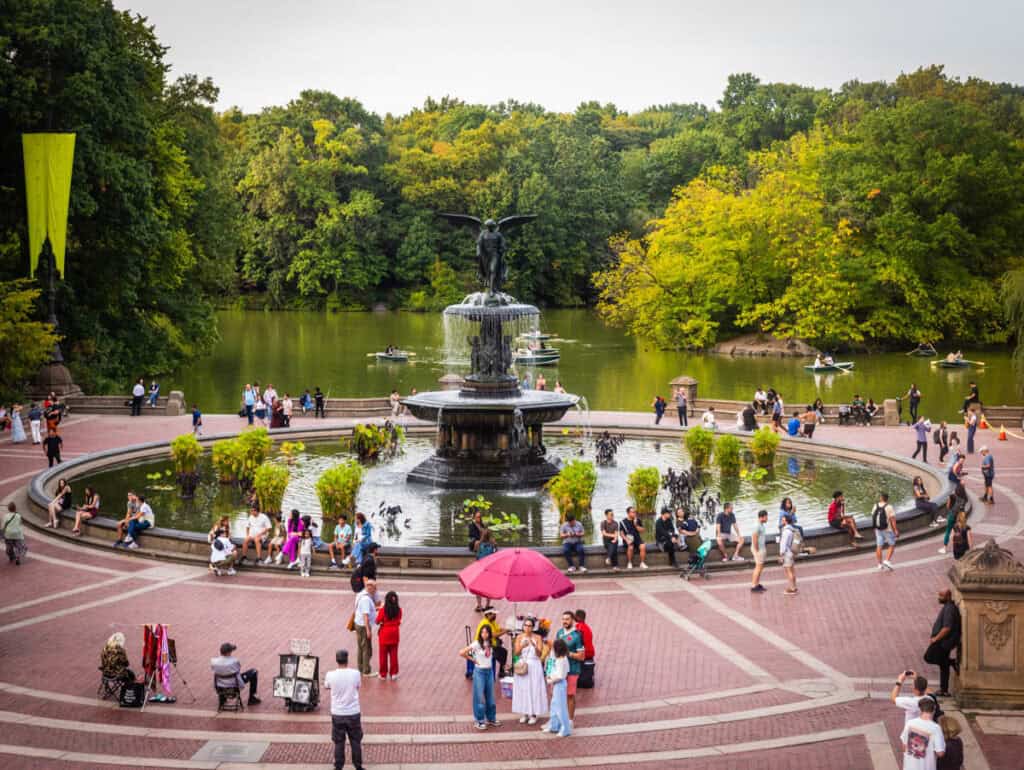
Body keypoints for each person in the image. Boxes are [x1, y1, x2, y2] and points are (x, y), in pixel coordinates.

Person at [325, 649, 364, 770]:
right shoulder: (355, 673)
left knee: (339, 742)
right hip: (353, 712)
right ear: (347, 659)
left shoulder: (330, 675)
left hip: (338, 713)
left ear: (337, 660)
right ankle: (358, 766)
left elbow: (327, 686)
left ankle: (338, 766)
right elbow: (358, 686)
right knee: (356, 741)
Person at [460, 623, 500, 730]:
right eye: (482, 632)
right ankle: (479, 720)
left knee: (490, 696)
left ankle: (491, 718)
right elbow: (462, 652)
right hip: (480, 672)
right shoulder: (477, 643)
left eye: (486, 632)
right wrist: (473, 660)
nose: (484, 634)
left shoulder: (491, 643)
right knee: (479, 697)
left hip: (489, 671)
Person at [924, 589, 961, 697]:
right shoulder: (948, 607)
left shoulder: (949, 609)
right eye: (939, 595)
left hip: (943, 642)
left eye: (942, 596)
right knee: (943, 666)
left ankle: (951, 662)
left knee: (929, 657)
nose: (939, 597)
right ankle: (944, 690)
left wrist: (936, 639)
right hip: (944, 641)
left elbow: (947, 628)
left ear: (948, 596)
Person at [512, 616, 548, 724]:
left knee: (534, 689)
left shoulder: (538, 637)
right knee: (523, 689)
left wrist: (534, 645)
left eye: (530, 626)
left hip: (534, 665)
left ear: (533, 627)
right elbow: (516, 653)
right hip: (523, 665)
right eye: (525, 625)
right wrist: (522, 646)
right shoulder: (519, 637)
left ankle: (534, 713)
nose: (527, 628)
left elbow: (540, 654)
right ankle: (525, 712)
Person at [554, 610, 585, 721]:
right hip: (560, 669)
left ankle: (570, 720)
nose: (564, 621)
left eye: (567, 619)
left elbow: (582, 656)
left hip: (572, 669)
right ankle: (558, 719)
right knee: (558, 695)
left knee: (570, 695)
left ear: (572, 620)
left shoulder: (577, 635)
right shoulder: (559, 633)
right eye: (563, 619)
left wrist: (569, 653)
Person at [900, 697, 945, 770]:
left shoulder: (909, 723)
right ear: (934, 710)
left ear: (920, 709)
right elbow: (940, 753)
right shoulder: (936, 728)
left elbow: (904, 746)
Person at [543, 638, 571, 737]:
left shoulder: (561, 660)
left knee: (560, 707)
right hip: (558, 684)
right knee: (554, 705)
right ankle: (554, 725)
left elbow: (560, 676)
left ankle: (565, 729)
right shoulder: (563, 659)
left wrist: (550, 680)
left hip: (559, 684)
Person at [353, 577, 378, 676]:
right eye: (375, 588)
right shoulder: (366, 599)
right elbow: (365, 615)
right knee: (366, 648)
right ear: (370, 587)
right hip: (363, 626)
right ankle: (366, 670)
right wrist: (368, 630)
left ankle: (360, 667)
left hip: (358, 624)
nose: (376, 591)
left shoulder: (361, 594)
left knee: (361, 647)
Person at [376, 591, 402, 681]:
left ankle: (383, 674)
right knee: (394, 655)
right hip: (395, 633)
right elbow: (399, 621)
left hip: (384, 634)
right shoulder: (399, 610)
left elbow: (377, 620)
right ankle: (394, 673)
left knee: (383, 655)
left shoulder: (383, 610)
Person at [873, 491, 898, 571]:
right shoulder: (889, 507)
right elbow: (892, 520)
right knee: (892, 545)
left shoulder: (875, 506)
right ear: (887, 499)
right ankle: (887, 560)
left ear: (881, 498)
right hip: (888, 529)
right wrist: (896, 530)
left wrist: (875, 528)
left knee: (879, 546)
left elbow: (873, 517)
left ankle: (880, 564)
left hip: (878, 529)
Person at [779, 513, 798, 596]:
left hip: (787, 553)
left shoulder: (785, 531)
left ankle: (792, 588)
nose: (782, 521)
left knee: (788, 571)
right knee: (792, 571)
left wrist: (781, 554)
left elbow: (783, 544)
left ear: (786, 521)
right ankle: (794, 586)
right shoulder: (792, 529)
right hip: (791, 552)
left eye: (783, 520)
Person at [750, 509, 768, 592]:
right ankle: (754, 586)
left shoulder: (761, 525)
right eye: (766, 517)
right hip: (758, 550)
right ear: (762, 517)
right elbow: (754, 537)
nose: (767, 518)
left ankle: (757, 584)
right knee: (758, 567)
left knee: (760, 567)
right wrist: (757, 549)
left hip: (761, 549)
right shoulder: (757, 526)